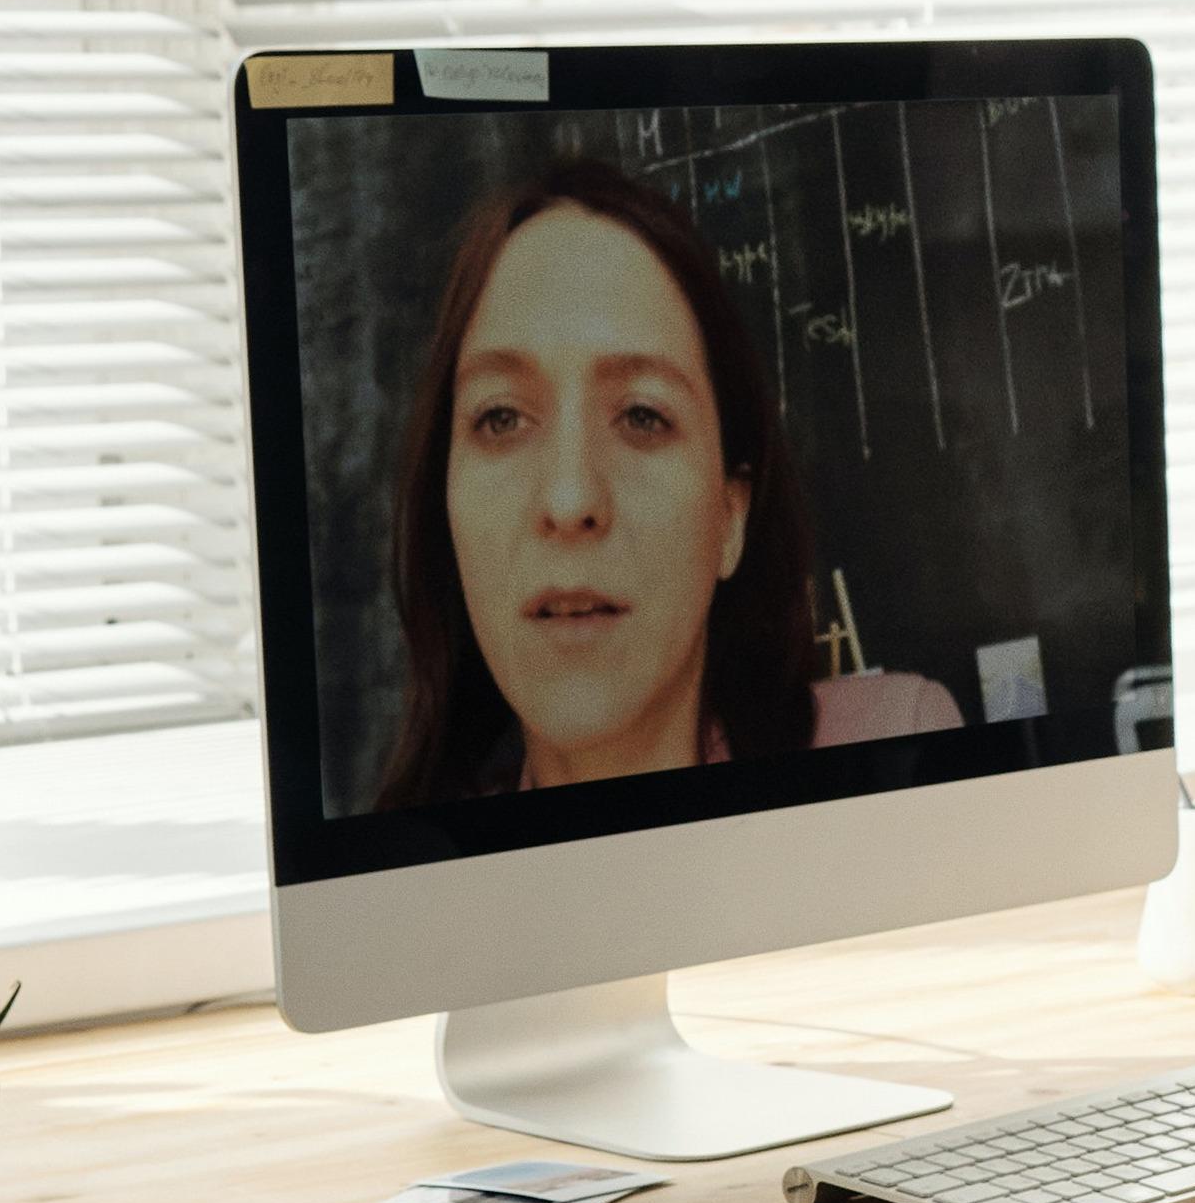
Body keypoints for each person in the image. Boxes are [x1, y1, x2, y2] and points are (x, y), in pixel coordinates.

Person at [375, 158, 960, 808]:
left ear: (730, 517)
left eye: (642, 416)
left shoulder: (892, 753)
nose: (570, 501)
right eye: (501, 417)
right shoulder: (402, 891)